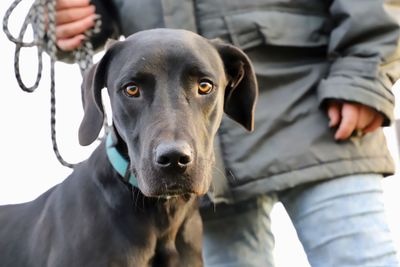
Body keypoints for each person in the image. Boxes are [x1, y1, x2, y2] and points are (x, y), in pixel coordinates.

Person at [52, 0, 400, 266]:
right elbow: (88, 13)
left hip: (318, 110)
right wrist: (67, 18)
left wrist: (365, 73)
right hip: (204, 169)